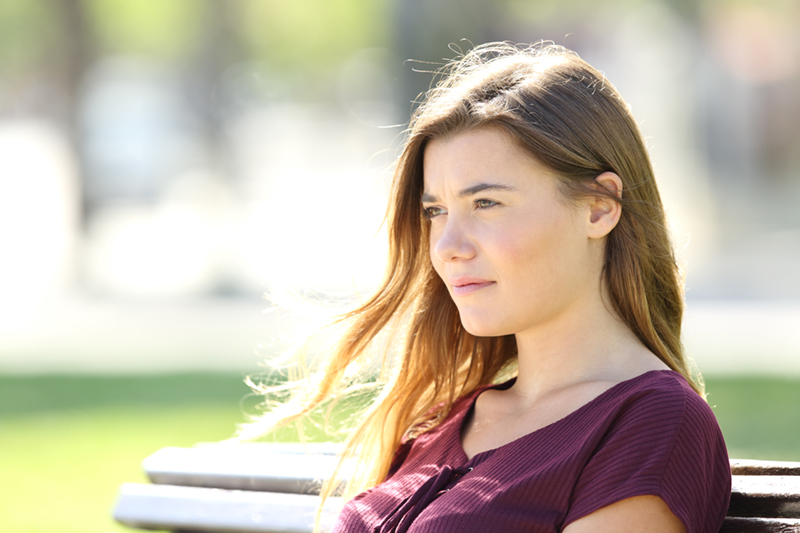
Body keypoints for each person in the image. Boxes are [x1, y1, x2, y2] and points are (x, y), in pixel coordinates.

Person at [239, 42, 732, 533]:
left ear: (599, 207)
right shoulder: (444, 419)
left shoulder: (654, 424)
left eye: (486, 204)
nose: (448, 246)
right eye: (436, 211)